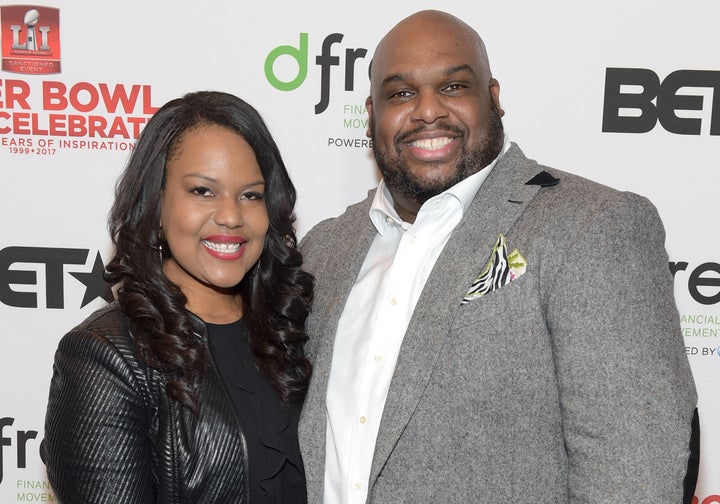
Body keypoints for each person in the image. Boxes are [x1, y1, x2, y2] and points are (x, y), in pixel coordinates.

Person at [297, 10, 699, 504]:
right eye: (400, 93)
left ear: (493, 98)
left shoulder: (591, 224)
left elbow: (632, 473)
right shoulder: (324, 248)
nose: (426, 112)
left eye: (453, 87)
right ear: (371, 114)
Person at [42, 91, 313, 503]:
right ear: (156, 202)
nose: (231, 216)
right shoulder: (105, 358)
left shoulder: (290, 330)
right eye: (203, 191)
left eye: (251, 195)